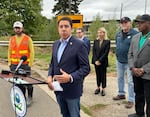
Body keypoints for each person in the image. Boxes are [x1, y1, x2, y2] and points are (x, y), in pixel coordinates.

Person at [47, 17, 90, 117]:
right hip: (58, 89)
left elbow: (86, 68)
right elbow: (53, 64)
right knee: (64, 114)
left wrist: (70, 77)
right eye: (61, 26)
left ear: (71, 29)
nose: (63, 29)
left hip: (72, 90)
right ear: (58, 29)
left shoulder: (80, 45)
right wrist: (49, 76)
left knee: (74, 114)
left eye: (66, 26)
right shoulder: (55, 44)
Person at [113, 17, 138, 108]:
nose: (123, 24)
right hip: (119, 60)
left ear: (130, 23)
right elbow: (117, 45)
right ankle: (121, 93)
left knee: (131, 81)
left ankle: (131, 99)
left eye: (125, 22)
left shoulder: (135, 34)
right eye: (122, 23)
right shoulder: (118, 34)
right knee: (120, 78)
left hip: (130, 62)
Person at [8, 21, 34, 106]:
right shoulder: (11, 39)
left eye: (18, 28)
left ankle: (30, 96)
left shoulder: (27, 38)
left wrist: (30, 64)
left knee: (27, 83)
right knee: (18, 83)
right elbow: (9, 51)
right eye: (16, 28)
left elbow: (32, 52)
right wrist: (9, 63)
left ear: (22, 29)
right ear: (14, 29)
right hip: (14, 66)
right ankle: (23, 98)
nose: (17, 29)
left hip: (25, 65)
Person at [128, 14, 150, 117]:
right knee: (138, 94)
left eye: (141, 23)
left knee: (149, 97)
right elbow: (130, 54)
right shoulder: (135, 37)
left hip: (148, 74)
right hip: (136, 73)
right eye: (138, 23)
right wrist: (132, 68)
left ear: (148, 23)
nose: (138, 25)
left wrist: (143, 69)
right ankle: (139, 113)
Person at [92, 27, 110, 96]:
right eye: (99, 32)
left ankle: (103, 88)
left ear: (104, 33)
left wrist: (100, 60)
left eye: (101, 32)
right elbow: (94, 52)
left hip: (103, 61)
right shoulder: (95, 41)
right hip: (96, 61)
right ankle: (98, 87)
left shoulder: (107, 41)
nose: (100, 34)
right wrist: (96, 60)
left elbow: (106, 53)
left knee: (103, 75)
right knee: (98, 75)